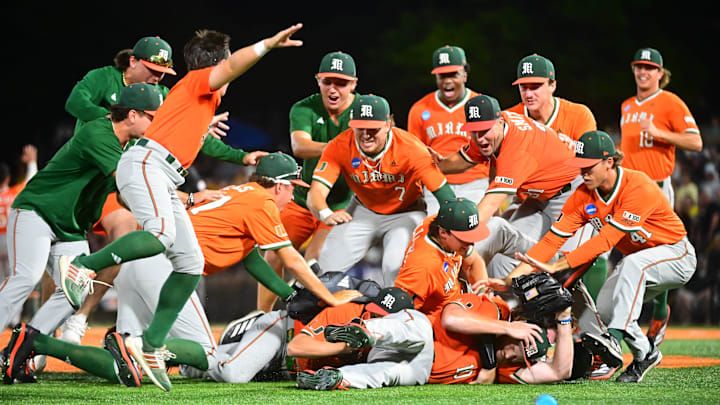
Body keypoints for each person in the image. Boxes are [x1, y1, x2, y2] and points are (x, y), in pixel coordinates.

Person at [58, 24, 304, 392]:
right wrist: (267, 45)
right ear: (218, 65)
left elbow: (201, 141)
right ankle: (81, 267)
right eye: (226, 65)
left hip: (162, 173)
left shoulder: (200, 101)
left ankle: (153, 346)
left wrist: (242, 154)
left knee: (189, 265)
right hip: (147, 165)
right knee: (160, 235)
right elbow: (233, 66)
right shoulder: (197, 81)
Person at [3, 153, 361, 386]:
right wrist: (325, 295)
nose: (291, 196)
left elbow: (249, 254)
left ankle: (36, 341)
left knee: (127, 370)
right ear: (281, 185)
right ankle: (140, 345)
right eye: (291, 188)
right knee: (211, 358)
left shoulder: (239, 192)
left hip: (139, 266)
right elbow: (291, 257)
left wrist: (287, 294)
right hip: (165, 269)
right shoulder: (262, 202)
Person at [496, 131, 697, 383]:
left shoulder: (638, 186)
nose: (583, 172)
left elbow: (605, 241)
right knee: (600, 313)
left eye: (588, 166)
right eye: (580, 166)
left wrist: (556, 265)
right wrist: (509, 279)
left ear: (609, 162)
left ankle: (613, 337)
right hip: (637, 266)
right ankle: (645, 352)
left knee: (632, 266)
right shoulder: (583, 195)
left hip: (677, 255)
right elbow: (551, 240)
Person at [0, 84, 161, 340]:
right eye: (152, 117)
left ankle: (27, 345)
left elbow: (124, 194)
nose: (156, 124)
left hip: (70, 227)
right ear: (132, 115)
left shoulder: (127, 145)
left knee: (77, 289)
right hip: (38, 211)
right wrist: (178, 202)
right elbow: (128, 185)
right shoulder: (99, 133)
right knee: (26, 277)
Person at [307, 94, 455, 287]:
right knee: (325, 268)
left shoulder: (411, 148)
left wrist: (450, 233)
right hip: (363, 210)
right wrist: (325, 213)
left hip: (406, 212)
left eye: (373, 128)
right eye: (360, 127)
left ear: (388, 124)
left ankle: (403, 315)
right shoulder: (340, 145)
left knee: (396, 269)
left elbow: (445, 196)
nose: (366, 134)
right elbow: (315, 194)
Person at [433, 94, 581, 278]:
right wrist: (436, 164)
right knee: (504, 256)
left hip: (575, 193)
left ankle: (586, 305)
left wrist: (452, 238)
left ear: (500, 122)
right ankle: (508, 304)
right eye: (474, 131)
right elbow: (464, 159)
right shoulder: (492, 130)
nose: (479, 138)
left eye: (484, 130)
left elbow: (491, 203)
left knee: (569, 268)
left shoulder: (516, 147)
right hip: (538, 197)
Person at [261, 51, 358, 312]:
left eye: (341, 82)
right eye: (328, 81)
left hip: (343, 202)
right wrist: (340, 147)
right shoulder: (304, 107)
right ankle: (262, 317)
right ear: (318, 81)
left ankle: (313, 318)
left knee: (317, 260)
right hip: (303, 200)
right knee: (272, 252)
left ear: (353, 84)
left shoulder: (363, 110)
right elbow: (299, 146)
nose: (333, 88)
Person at [620, 47, 703, 348]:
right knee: (630, 250)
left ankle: (659, 310)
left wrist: (660, 133)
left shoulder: (670, 102)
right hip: (629, 188)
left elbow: (695, 141)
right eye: (639, 66)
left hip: (656, 187)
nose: (643, 72)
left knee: (660, 249)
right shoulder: (627, 105)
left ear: (660, 73)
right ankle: (632, 311)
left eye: (649, 68)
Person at [293, 287, 434, 390]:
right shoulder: (348, 311)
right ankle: (367, 333)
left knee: (385, 371)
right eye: (374, 311)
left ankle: (340, 377)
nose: (373, 314)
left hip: (413, 359)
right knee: (385, 371)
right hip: (288, 338)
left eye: (380, 315)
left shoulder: (410, 320)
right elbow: (295, 347)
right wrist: (343, 347)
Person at [431, 292, 575, 385]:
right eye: (514, 346)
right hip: (422, 339)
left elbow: (559, 372)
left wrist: (564, 317)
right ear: (518, 328)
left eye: (518, 357)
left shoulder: (507, 367)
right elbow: (451, 319)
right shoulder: (498, 311)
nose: (509, 354)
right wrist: (507, 327)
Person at [407, 45, 486, 215]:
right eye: (442, 75)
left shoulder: (481, 105)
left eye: (453, 74)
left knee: (474, 225)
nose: (447, 81)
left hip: (476, 182)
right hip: (436, 182)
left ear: (464, 74)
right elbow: (414, 157)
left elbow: (494, 152)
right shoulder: (420, 109)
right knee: (434, 226)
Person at [393, 198, 490, 323]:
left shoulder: (444, 225)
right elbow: (398, 315)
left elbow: (473, 262)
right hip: (441, 323)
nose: (471, 243)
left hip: (460, 299)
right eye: (464, 238)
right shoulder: (424, 269)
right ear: (443, 232)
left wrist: (482, 295)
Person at [65, 36, 176, 136]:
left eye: (162, 71)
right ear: (133, 61)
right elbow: (74, 102)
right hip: (92, 150)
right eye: (152, 70)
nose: (157, 77)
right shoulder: (105, 77)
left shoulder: (162, 94)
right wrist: (116, 118)